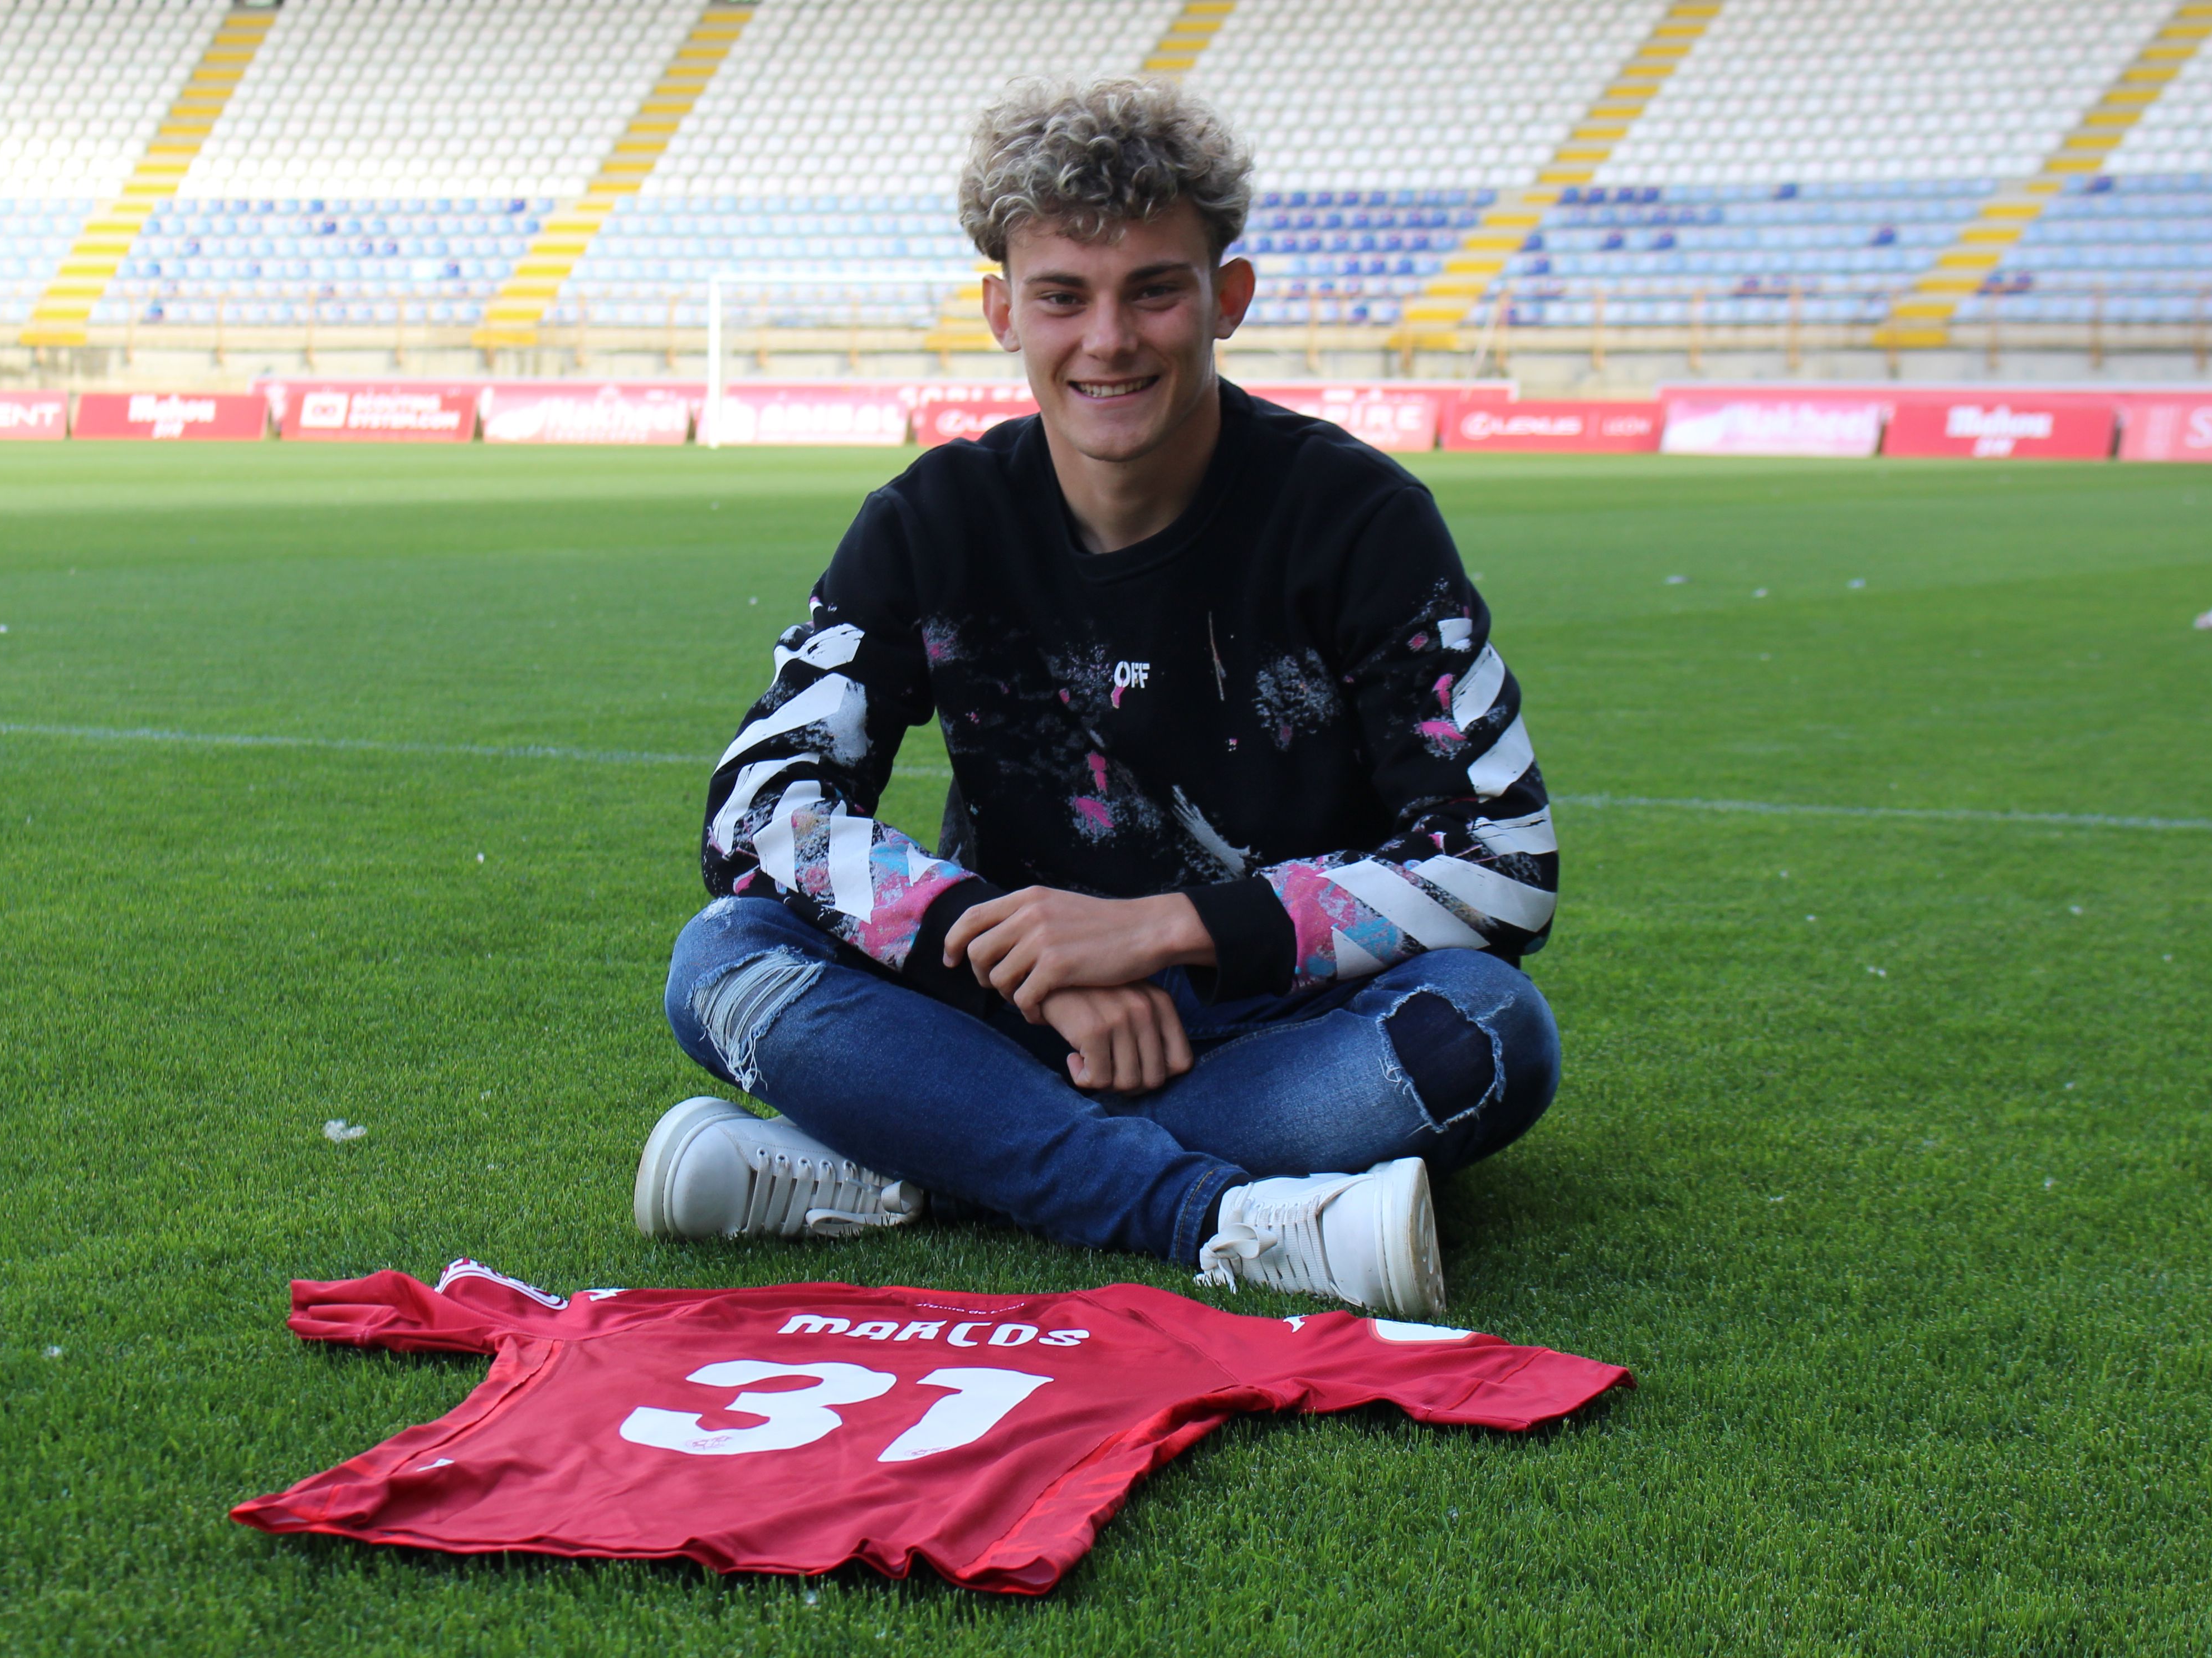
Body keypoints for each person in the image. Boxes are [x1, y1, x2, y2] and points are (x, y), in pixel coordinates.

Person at [640, 78, 1558, 1316]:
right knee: (724, 959)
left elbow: (1503, 863)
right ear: (1002, 311)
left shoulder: (1357, 520)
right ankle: (1211, 1214)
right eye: (1063, 296)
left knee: (1488, 1032)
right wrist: (1011, 950)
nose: (1109, 340)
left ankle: (919, 1160)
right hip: (1008, 1011)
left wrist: (1165, 929)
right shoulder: (936, 519)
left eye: (1155, 291)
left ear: (1227, 297)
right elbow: (758, 810)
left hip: (1268, 1025)